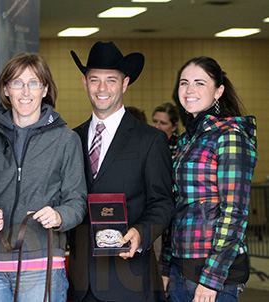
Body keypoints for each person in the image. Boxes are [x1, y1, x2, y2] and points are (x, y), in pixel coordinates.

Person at [0, 53, 87, 301]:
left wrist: (59, 215)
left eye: (34, 83)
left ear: (45, 89)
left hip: (42, 263)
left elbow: (77, 201)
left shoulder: (66, 140)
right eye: (17, 83)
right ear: (6, 90)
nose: (25, 91)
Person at [67, 41, 174, 302]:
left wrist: (141, 232)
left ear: (124, 84)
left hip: (131, 280)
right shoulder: (71, 139)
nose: (102, 89)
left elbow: (163, 202)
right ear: (85, 83)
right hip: (81, 283)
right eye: (95, 80)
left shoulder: (149, 140)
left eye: (111, 80)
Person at [161, 56, 258, 302]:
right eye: (184, 83)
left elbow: (234, 212)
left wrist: (212, 279)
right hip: (180, 267)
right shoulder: (186, 140)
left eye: (199, 83)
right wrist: (165, 267)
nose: (189, 90)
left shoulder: (230, 136)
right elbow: (177, 206)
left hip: (215, 275)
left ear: (219, 91)